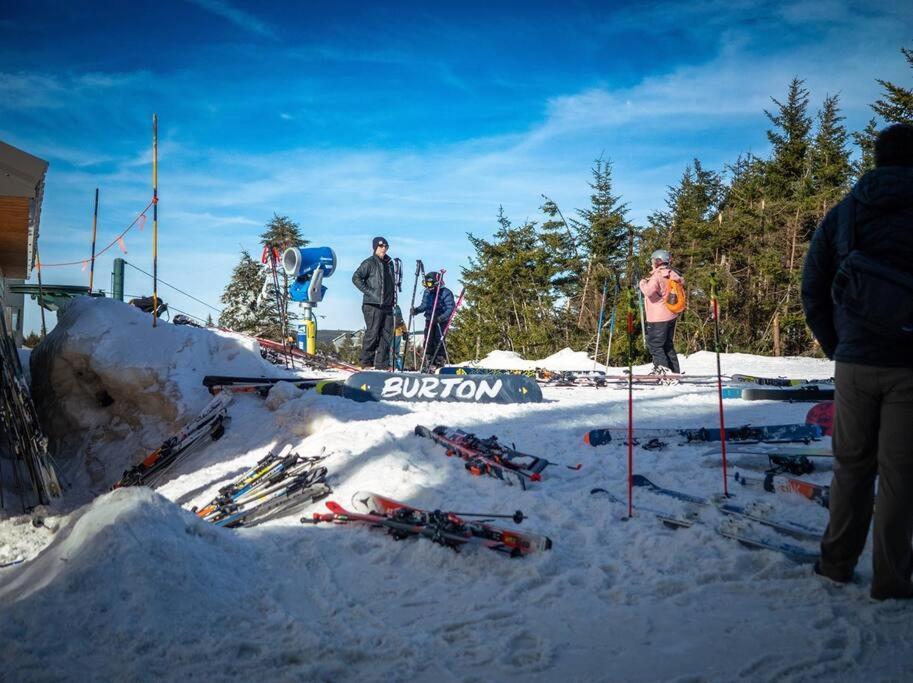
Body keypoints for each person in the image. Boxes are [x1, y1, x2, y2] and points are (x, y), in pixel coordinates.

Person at [801, 122, 913, 601]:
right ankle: (892, 579)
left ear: (877, 157)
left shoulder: (844, 214)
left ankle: (836, 564)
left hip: (854, 361)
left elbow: (813, 288)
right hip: (910, 365)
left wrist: (837, 345)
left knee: (851, 467)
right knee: (901, 473)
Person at [352, 236, 396, 369]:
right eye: (381, 246)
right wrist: (370, 292)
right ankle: (366, 362)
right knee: (373, 333)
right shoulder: (369, 262)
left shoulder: (390, 263)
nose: (383, 248)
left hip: (387, 305)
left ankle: (382, 364)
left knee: (387, 334)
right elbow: (356, 278)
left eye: (385, 246)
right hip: (372, 304)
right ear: (375, 247)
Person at [638, 249, 684, 374]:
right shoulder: (673, 274)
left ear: (658, 261)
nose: (652, 263)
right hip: (671, 314)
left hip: (658, 317)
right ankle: (674, 372)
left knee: (655, 345)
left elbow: (648, 291)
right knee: (667, 345)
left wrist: (642, 283)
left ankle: (663, 372)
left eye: (653, 260)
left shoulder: (658, 275)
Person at [412, 271, 455, 370]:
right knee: (428, 340)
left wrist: (441, 318)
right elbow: (424, 305)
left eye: (430, 284)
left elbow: (450, 308)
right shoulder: (427, 292)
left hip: (441, 321)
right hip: (429, 319)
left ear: (436, 283)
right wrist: (417, 310)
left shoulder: (446, 293)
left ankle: (439, 361)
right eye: (426, 284)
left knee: (438, 339)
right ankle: (429, 360)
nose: (428, 287)